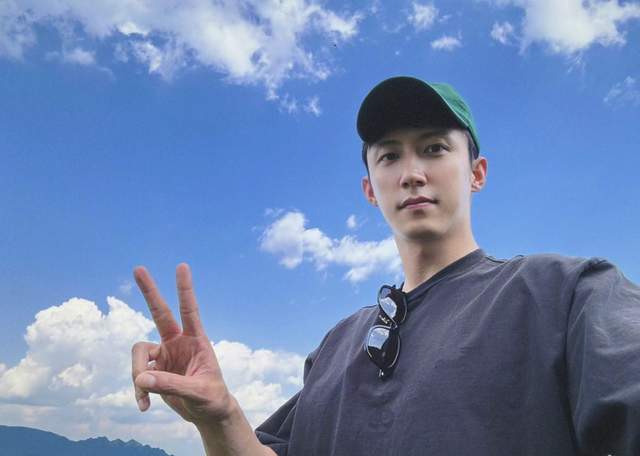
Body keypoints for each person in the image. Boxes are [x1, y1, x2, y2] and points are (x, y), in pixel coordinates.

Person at [131, 76, 640, 455]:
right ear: (370, 190)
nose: (412, 173)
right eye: (389, 156)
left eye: (435, 148)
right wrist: (219, 417)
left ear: (477, 173)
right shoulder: (334, 348)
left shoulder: (564, 293)